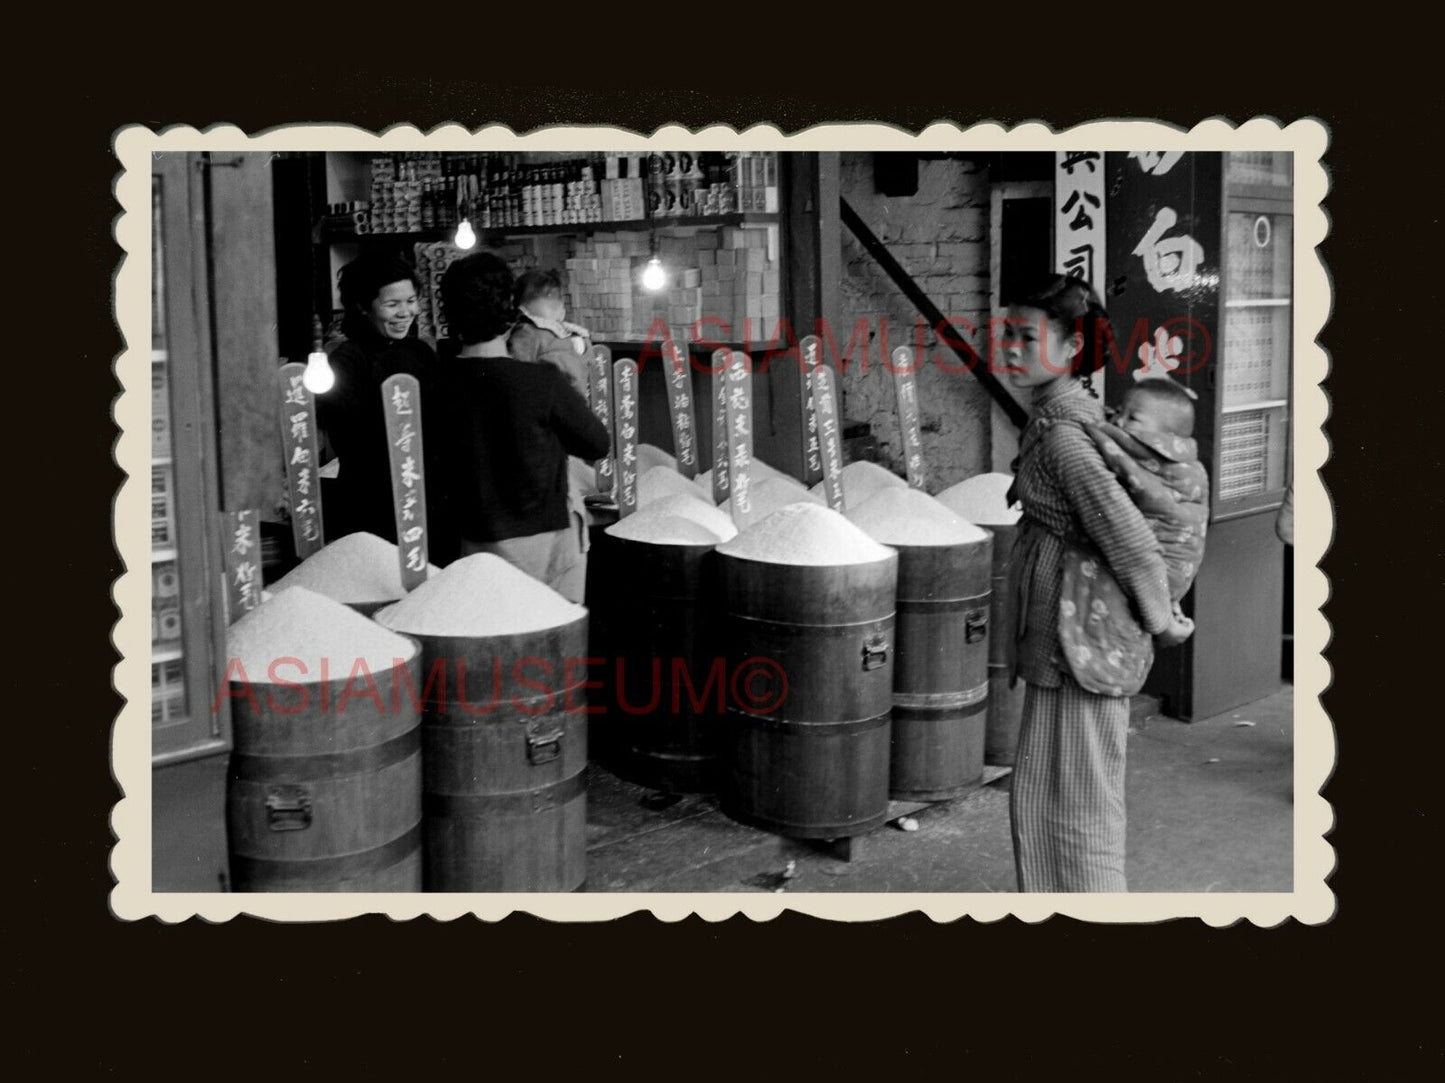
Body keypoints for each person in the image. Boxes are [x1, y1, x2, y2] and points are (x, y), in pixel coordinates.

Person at [1001, 273, 1192, 893]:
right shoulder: (1058, 417)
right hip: (1066, 637)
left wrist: (1164, 622)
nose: (1009, 348)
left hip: (1082, 640)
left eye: (1027, 338)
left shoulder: (1066, 438)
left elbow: (1131, 542)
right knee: (1042, 794)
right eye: (1006, 333)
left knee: (1079, 807)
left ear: (1073, 350)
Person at [437, 252, 610, 601]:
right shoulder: (541, 380)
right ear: (512, 313)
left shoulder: (436, 382)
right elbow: (596, 443)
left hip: (473, 538)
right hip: (548, 537)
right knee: (555, 640)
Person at [315, 252, 455, 562]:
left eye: (410, 301)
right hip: (373, 504)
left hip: (428, 502)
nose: (406, 312)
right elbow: (353, 439)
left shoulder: (420, 352)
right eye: (392, 305)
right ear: (363, 306)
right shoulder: (345, 361)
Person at [1085, 376, 1210, 621]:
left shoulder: (1149, 455)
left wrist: (1090, 425)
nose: (1119, 421)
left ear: (1166, 438)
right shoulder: (1190, 462)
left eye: (1133, 418)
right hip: (1174, 579)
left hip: (1161, 572)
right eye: (1120, 412)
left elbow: (1115, 451)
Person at [507, 269, 592, 398]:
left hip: (544, 406)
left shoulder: (527, 332)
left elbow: (514, 372)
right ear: (562, 310)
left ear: (520, 309)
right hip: (575, 405)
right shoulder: (578, 335)